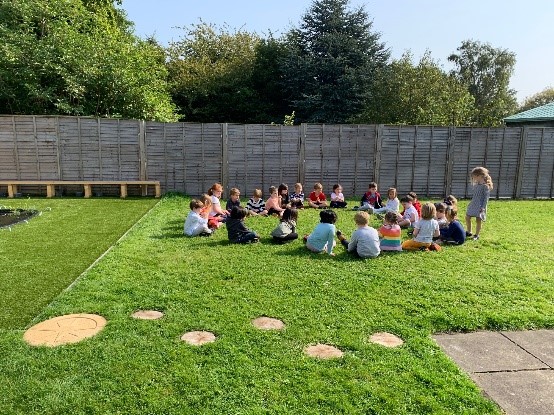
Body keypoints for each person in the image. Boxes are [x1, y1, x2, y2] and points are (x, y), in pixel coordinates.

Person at [465, 166, 493, 241]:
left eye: (474, 177)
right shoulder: (476, 185)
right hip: (473, 204)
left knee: (478, 220)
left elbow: (486, 198)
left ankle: (476, 235)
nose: (473, 178)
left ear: (480, 176)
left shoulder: (485, 187)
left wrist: (483, 208)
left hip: (480, 206)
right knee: (467, 217)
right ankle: (469, 231)